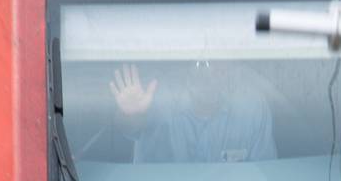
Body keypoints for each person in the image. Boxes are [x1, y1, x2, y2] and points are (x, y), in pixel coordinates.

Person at [105, 60, 277, 163]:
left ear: (230, 64)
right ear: (186, 66)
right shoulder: (156, 95)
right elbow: (130, 127)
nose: (208, 71)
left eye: (217, 62)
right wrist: (132, 114)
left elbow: (264, 176)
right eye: (201, 64)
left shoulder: (251, 107)